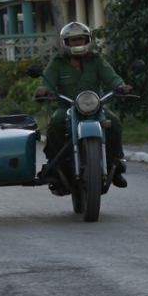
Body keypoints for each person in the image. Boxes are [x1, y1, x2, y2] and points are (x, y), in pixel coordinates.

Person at [35, 22, 132, 188]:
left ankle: (115, 166)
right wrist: (43, 90)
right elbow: (48, 81)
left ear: (87, 40)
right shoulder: (58, 62)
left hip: (95, 108)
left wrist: (121, 86)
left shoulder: (96, 60)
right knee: (55, 124)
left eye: (81, 39)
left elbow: (111, 77)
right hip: (67, 108)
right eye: (74, 40)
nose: (78, 43)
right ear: (66, 43)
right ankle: (55, 165)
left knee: (114, 123)